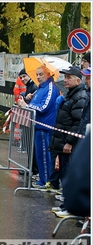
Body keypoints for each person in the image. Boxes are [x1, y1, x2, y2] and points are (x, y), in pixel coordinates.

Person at [48, 66, 87, 218]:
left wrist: (69, 142)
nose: (65, 80)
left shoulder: (80, 96)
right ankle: (66, 205)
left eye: (69, 77)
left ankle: (69, 208)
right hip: (62, 142)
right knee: (64, 173)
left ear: (78, 80)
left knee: (68, 175)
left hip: (68, 144)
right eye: (65, 77)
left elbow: (78, 123)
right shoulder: (71, 95)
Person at [17, 65, 60, 188]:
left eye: (41, 74)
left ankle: (46, 180)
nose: (38, 77)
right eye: (37, 74)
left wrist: (26, 105)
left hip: (44, 127)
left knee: (44, 156)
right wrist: (29, 99)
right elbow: (36, 104)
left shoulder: (50, 88)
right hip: (37, 126)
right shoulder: (40, 88)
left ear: (48, 74)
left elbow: (43, 107)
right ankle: (42, 179)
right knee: (39, 155)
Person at [16, 69, 39, 176]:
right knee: (30, 145)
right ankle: (31, 167)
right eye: (21, 77)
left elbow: (33, 104)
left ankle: (33, 169)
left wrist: (25, 102)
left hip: (33, 120)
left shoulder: (34, 86)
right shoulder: (30, 86)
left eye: (24, 76)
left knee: (32, 146)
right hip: (30, 120)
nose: (22, 79)